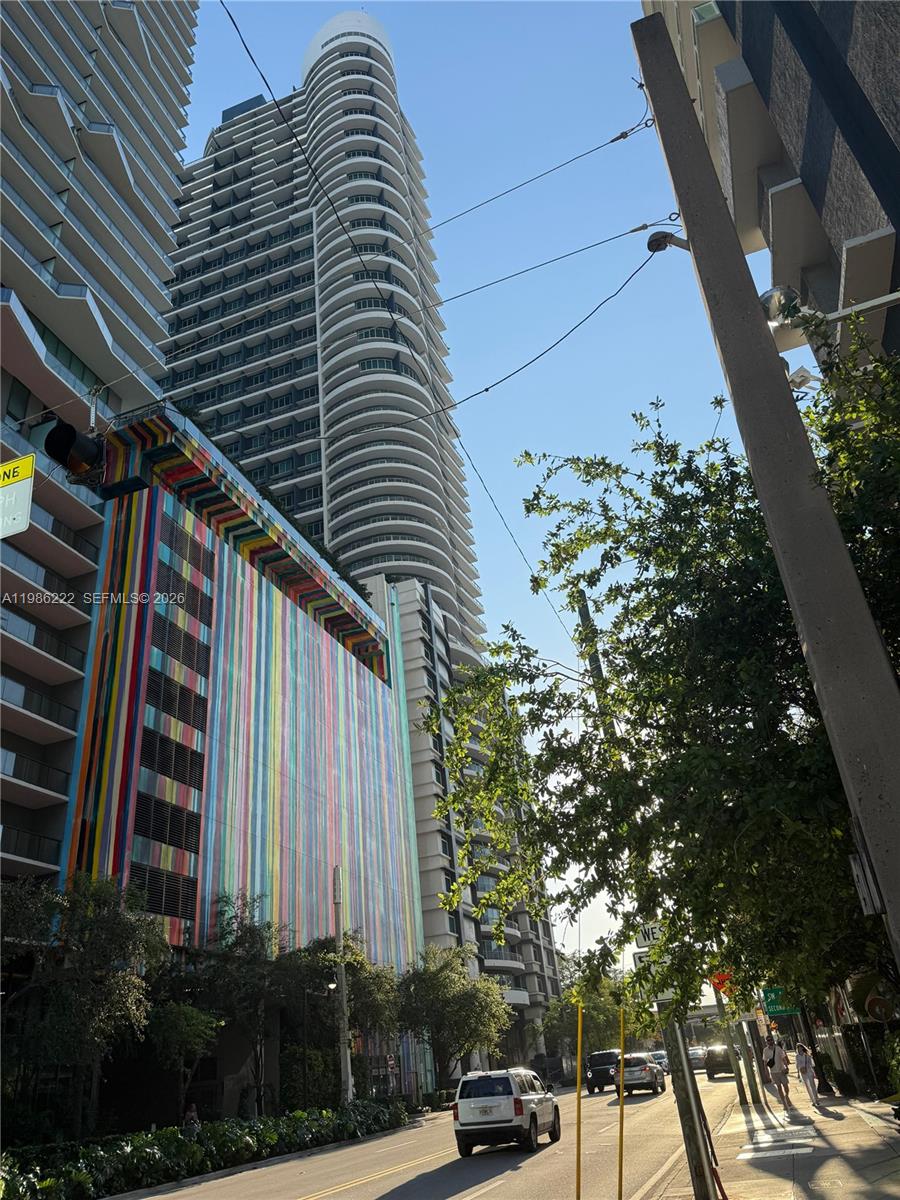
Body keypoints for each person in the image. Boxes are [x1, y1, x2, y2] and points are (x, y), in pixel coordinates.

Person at [764, 1034, 792, 1108]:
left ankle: (786, 1096)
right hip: (773, 1072)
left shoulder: (778, 1048)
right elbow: (765, 1062)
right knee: (779, 1087)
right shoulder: (765, 1050)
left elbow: (783, 1058)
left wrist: (786, 1067)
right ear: (766, 1042)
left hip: (781, 1070)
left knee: (786, 1086)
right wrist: (766, 1072)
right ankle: (784, 1103)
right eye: (768, 1040)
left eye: (771, 1040)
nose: (770, 1041)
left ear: (773, 1040)